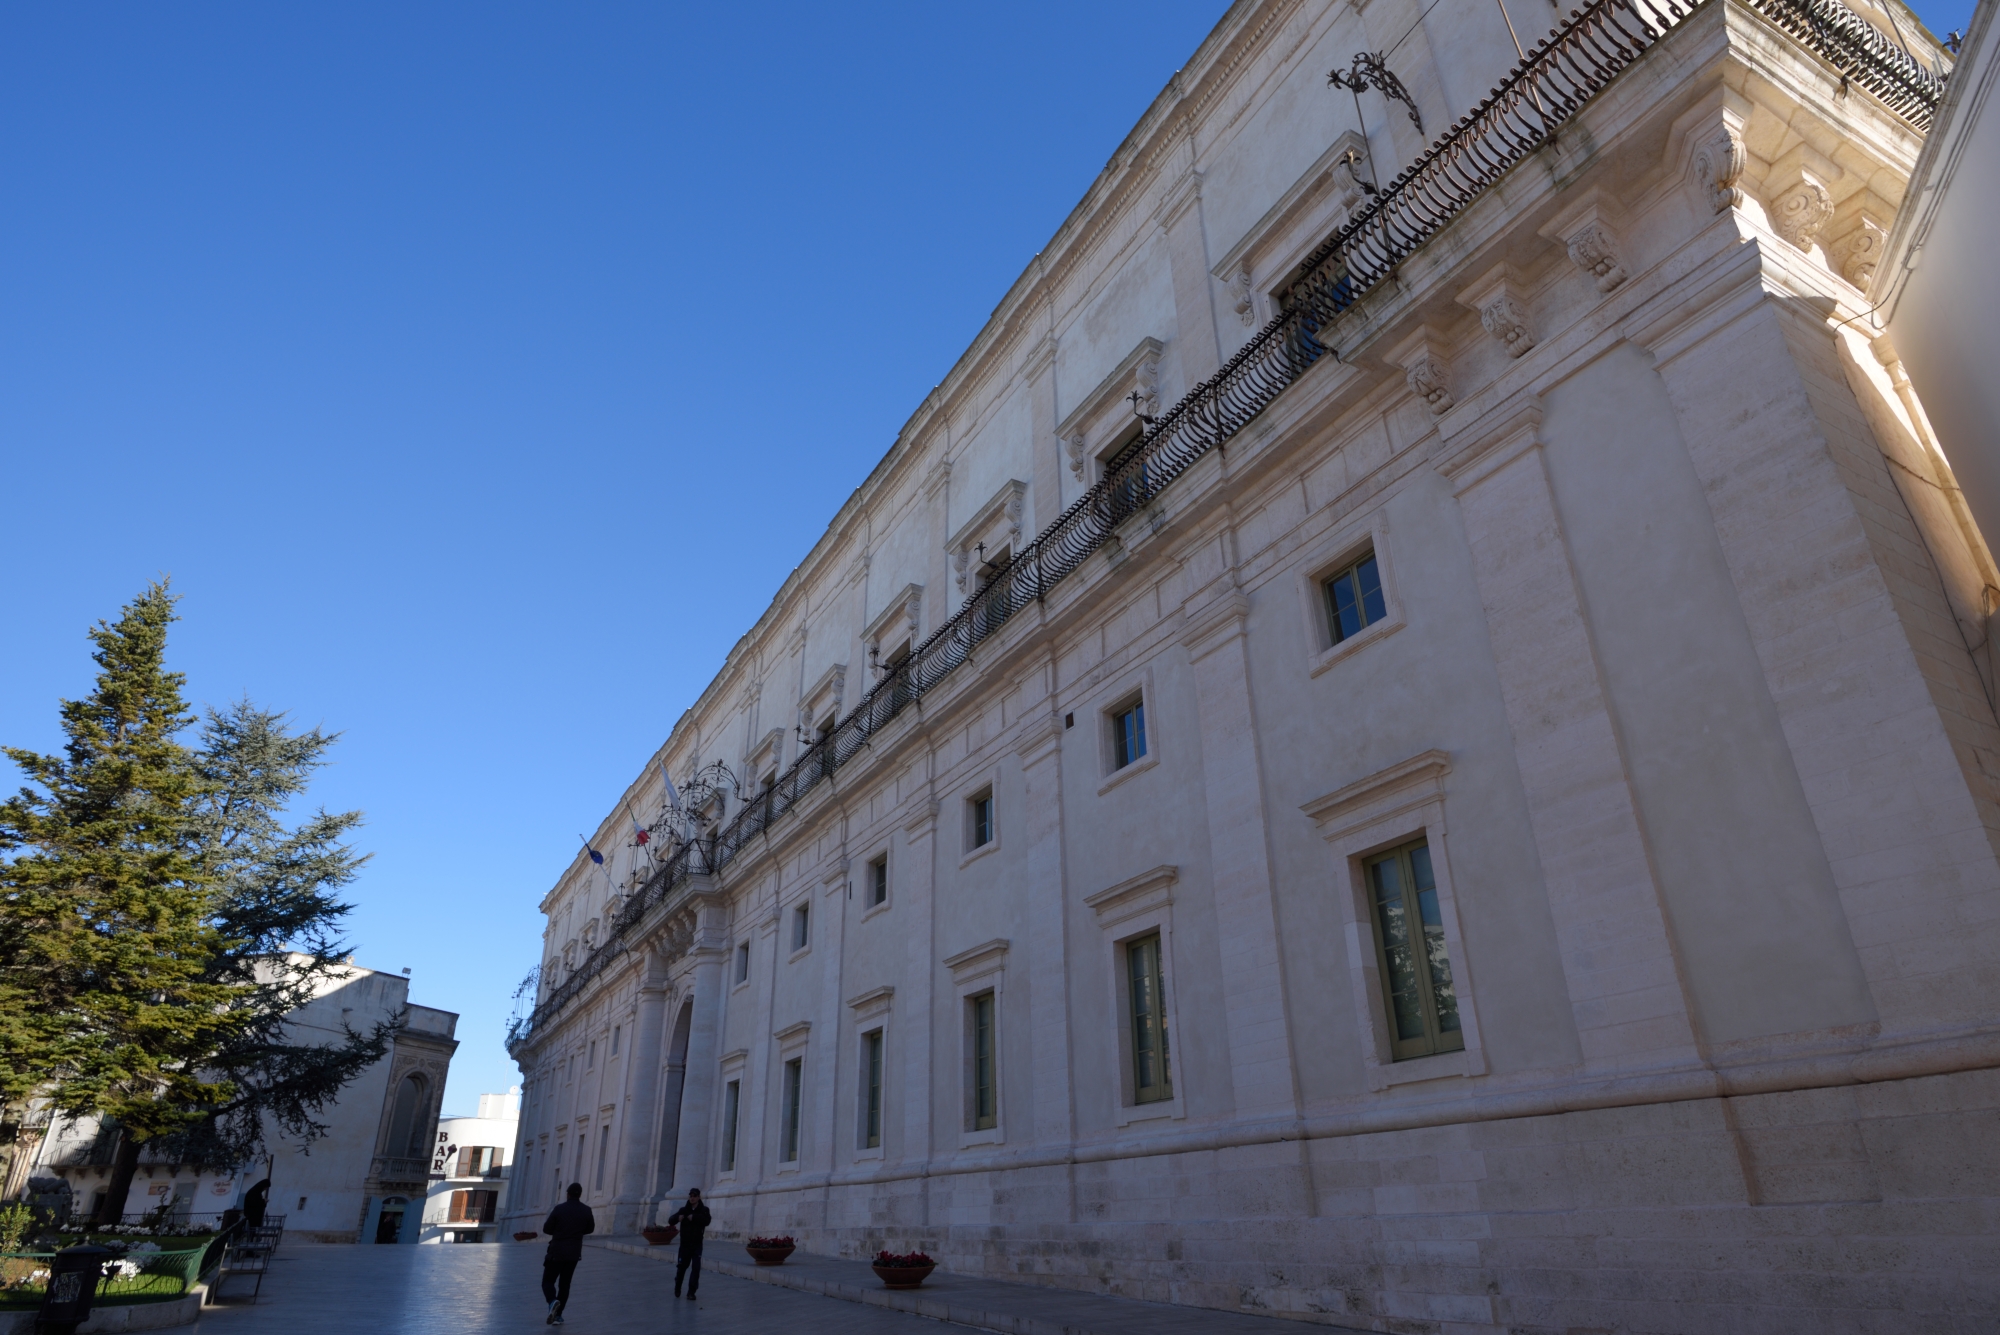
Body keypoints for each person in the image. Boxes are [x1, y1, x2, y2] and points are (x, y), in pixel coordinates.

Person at [540, 1182, 596, 1324]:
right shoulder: (586, 1210)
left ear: (568, 1194)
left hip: (556, 1251)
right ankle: (558, 1315)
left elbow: (547, 1229)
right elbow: (590, 1229)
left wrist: (559, 1231)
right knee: (565, 1285)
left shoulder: (559, 1209)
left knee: (548, 1281)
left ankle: (552, 1301)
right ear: (580, 1195)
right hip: (573, 1253)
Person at [667, 1189, 711, 1300]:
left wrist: (695, 1217)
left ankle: (691, 1292)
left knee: (696, 1268)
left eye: (695, 1196)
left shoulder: (704, 1210)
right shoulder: (683, 1210)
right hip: (685, 1245)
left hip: (697, 1245)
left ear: (698, 1197)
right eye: (691, 1195)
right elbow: (670, 1220)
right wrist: (678, 1218)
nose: (692, 1198)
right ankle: (678, 1287)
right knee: (682, 1268)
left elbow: (707, 1221)